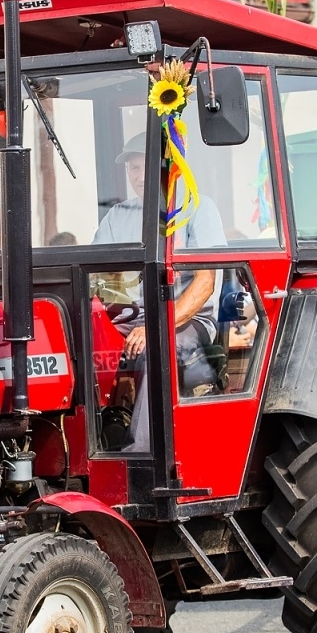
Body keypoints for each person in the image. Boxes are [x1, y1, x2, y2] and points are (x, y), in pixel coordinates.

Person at [91, 137, 226, 449]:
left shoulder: (197, 208)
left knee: (155, 347)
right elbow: (96, 276)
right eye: (132, 168)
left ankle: (142, 453)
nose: (138, 175)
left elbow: (205, 284)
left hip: (186, 319)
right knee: (78, 339)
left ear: (168, 167)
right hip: (130, 315)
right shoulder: (117, 216)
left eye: (144, 167)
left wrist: (154, 326)